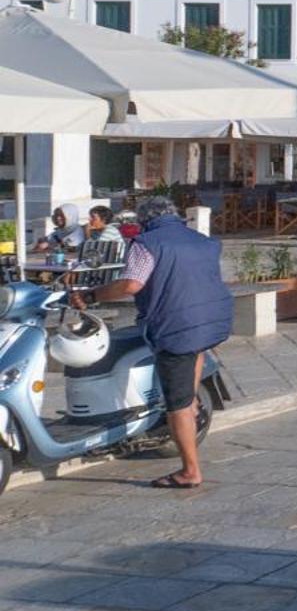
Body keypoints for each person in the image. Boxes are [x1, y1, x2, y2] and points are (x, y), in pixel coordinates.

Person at [72, 196, 232, 489]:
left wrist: (92, 295)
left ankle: (190, 471)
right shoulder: (202, 240)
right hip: (212, 319)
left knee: (177, 404)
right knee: (192, 362)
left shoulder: (146, 244)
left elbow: (131, 284)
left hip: (177, 326)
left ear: (144, 220)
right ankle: (192, 400)